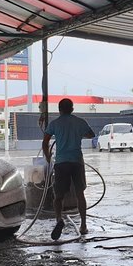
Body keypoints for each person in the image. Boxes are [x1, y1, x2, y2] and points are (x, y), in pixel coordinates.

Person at [42, 98, 95, 240]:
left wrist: (48, 156)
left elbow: (45, 141)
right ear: (72, 109)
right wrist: (78, 134)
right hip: (77, 161)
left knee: (58, 196)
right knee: (80, 194)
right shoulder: (80, 122)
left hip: (61, 163)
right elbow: (91, 134)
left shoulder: (55, 123)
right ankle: (83, 225)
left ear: (59, 110)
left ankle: (59, 219)